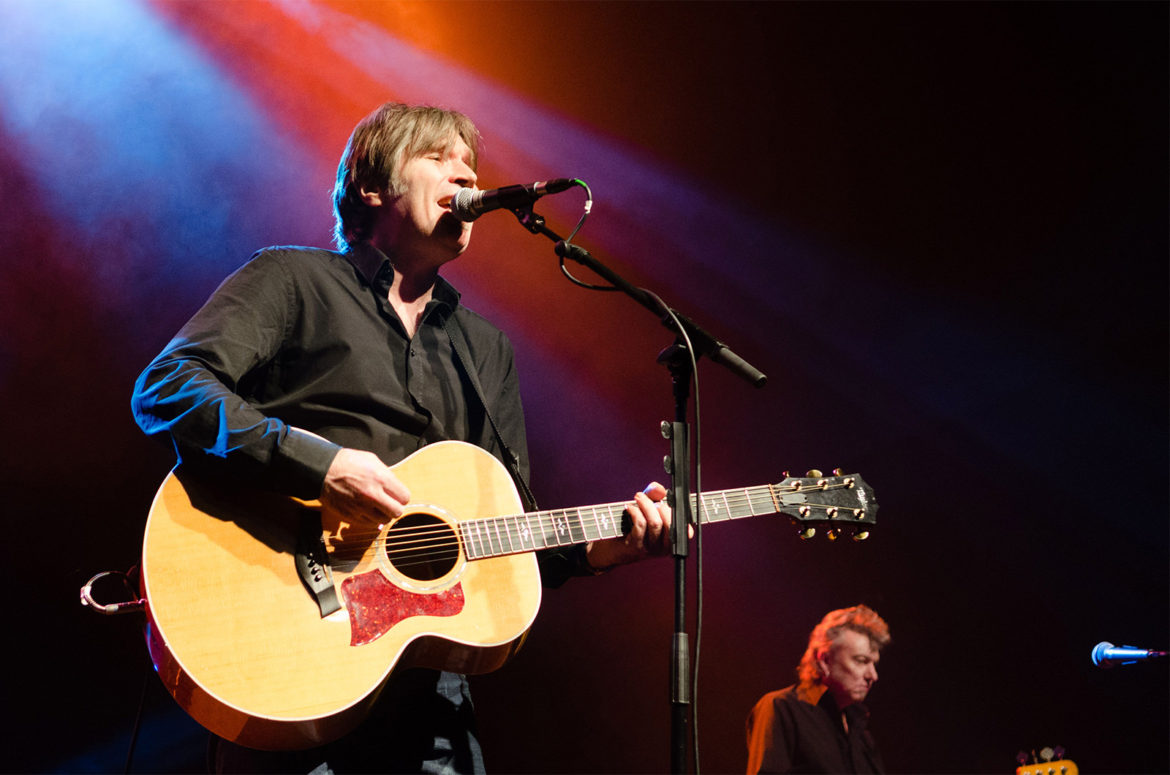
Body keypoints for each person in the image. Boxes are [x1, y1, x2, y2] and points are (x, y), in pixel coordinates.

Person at [131, 101, 675, 774]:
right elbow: (168, 385)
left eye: (471, 164)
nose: (466, 173)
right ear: (372, 186)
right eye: (440, 157)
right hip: (284, 659)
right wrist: (319, 465)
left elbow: (507, 528)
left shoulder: (485, 349)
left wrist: (599, 549)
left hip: (429, 697)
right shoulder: (293, 280)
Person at [745, 605, 891, 774]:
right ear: (825, 660)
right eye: (861, 661)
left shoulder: (860, 732)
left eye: (874, 663)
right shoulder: (782, 708)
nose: (873, 675)